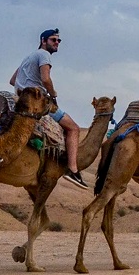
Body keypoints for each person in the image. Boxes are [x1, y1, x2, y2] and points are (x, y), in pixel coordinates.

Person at [10, 29, 88, 190]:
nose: (57, 43)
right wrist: (52, 94)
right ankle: (72, 169)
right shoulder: (44, 55)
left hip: (20, 99)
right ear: (43, 40)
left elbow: (12, 80)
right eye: (53, 40)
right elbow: (46, 79)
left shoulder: (29, 57)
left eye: (59, 41)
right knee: (73, 128)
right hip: (37, 102)